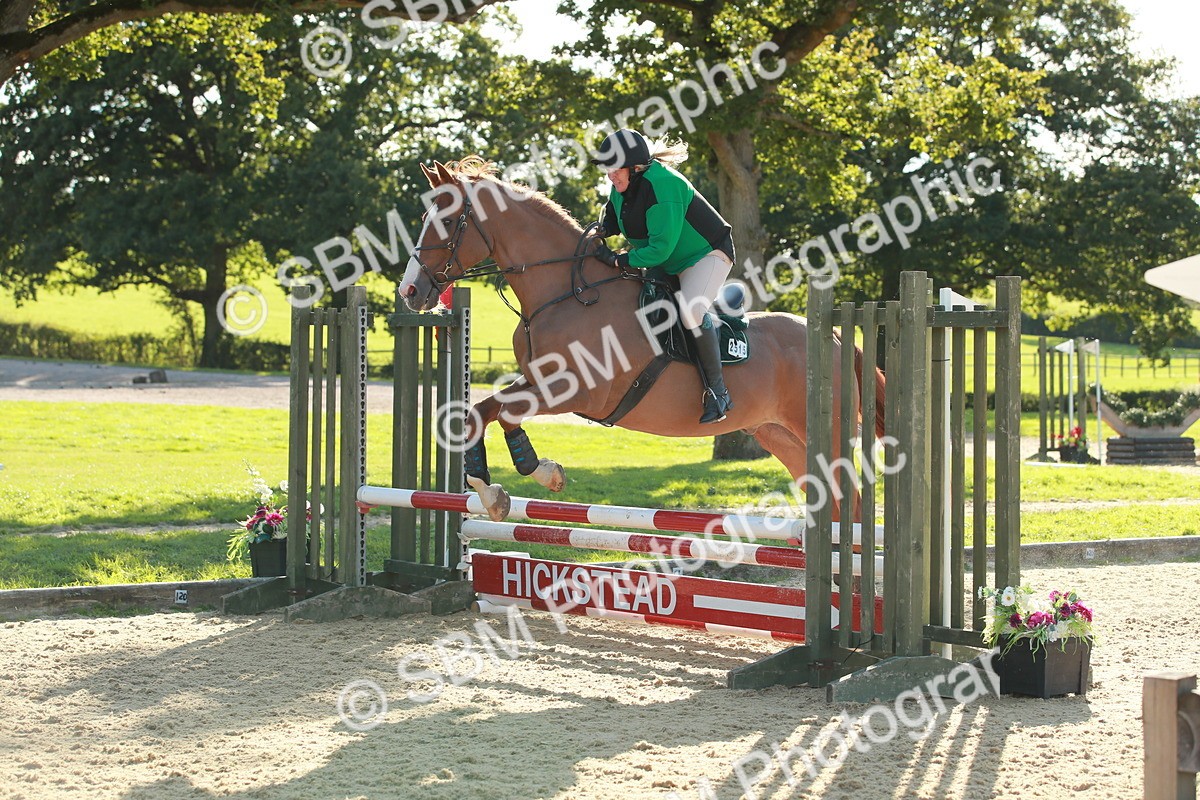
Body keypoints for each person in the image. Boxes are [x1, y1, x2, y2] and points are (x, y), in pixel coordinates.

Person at [589, 128, 736, 424]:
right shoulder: (622, 186)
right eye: (607, 168)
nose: (610, 175)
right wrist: (597, 232)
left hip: (705, 255)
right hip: (669, 260)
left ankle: (718, 393)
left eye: (615, 168)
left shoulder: (664, 184)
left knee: (691, 311)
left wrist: (619, 260)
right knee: (631, 300)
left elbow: (659, 250)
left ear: (635, 167)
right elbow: (614, 221)